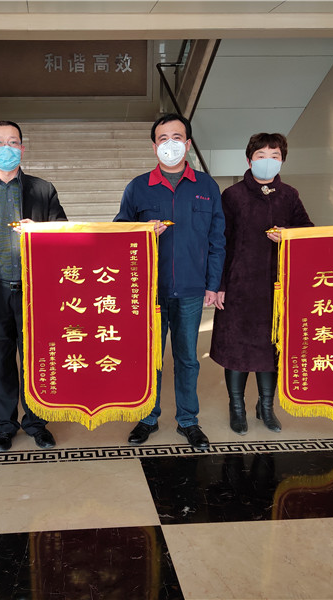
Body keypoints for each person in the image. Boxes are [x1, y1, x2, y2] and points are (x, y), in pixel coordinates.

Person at [114, 113, 226, 449]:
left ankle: (188, 420)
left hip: (190, 290)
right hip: (150, 291)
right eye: (163, 138)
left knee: (187, 358)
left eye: (177, 137)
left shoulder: (206, 187)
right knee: (150, 358)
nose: (170, 144)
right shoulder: (138, 187)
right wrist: (142, 231)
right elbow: (118, 233)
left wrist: (213, 284)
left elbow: (217, 239)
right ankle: (148, 417)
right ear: (154, 146)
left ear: (188, 144)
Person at [0, 120, 66, 452]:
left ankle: (37, 423)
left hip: (35, 293)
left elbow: (64, 232)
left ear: (22, 147)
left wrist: (42, 231)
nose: (7, 148)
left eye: (13, 142)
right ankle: (5, 426)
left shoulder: (42, 190)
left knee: (36, 361)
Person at [210, 133, 313, 435]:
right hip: (239, 287)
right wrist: (219, 284)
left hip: (277, 289)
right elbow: (220, 242)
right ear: (249, 160)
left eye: (274, 156)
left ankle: (266, 407)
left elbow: (308, 231)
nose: (268, 161)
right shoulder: (232, 195)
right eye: (261, 156)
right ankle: (237, 407)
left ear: (283, 160)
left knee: (272, 350)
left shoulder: (289, 195)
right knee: (236, 350)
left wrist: (288, 234)